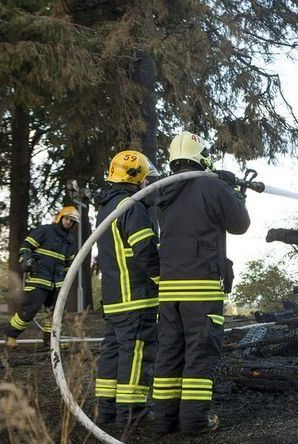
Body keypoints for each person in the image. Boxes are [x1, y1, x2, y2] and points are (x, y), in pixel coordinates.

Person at [153, 131, 250, 435]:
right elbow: (240, 224)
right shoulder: (212, 185)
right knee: (200, 351)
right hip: (202, 286)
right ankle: (194, 422)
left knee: (170, 351)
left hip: (169, 289)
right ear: (202, 157)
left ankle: (164, 419)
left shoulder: (162, 191)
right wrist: (236, 191)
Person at [94, 150, 161, 426]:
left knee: (112, 352)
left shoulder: (106, 208)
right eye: (148, 179)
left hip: (114, 299)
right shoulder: (131, 207)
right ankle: (131, 412)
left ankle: (107, 409)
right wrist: (163, 280)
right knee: (136, 352)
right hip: (135, 297)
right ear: (138, 178)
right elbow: (145, 250)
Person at [4, 206, 79, 347]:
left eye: (72, 221)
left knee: (55, 315)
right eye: (67, 218)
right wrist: (25, 261)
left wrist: (66, 282)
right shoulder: (45, 231)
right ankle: (10, 336)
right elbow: (26, 247)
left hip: (57, 283)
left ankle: (51, 342)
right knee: (30, 310)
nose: (69, 222)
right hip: (39, 279)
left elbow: (69, 264)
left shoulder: (70, 240)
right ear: (60, 218)